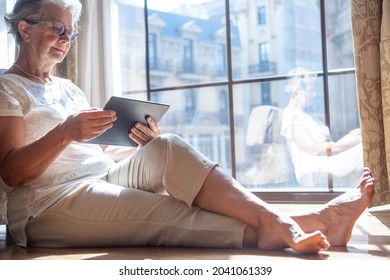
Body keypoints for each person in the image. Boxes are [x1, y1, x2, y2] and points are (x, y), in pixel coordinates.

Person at [0, 0, 374, 254]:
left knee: (169, 146)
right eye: (57, 29)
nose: (66, 40)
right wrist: (66, 131)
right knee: (165, 213)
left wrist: (140, 143)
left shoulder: (68, 88)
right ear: (25, 30)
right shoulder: (7, 88)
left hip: (98, 179)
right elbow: (12, 172)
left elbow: (90, 155)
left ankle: (287, 223)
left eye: (71, 32)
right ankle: (310, 222)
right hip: (45, 205)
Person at [281, 67, 364, 188]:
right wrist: (349, 143)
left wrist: (354, 136)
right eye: (310, 90)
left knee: (366, 141)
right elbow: (314, 149)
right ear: (296, 92)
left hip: (327, 164)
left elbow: (328, 146)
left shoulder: (307, 116)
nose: (314, 94)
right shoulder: (292, 117)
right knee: (365, 149)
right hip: (315, 173)